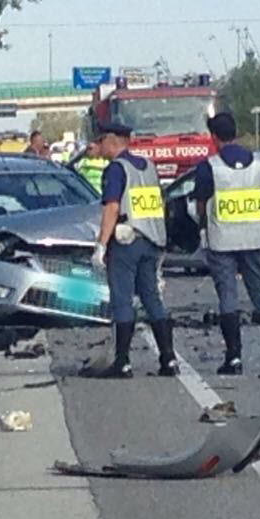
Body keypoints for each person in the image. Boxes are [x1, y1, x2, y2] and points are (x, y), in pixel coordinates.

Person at [193, 112, 260, 375]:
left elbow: (201, 204)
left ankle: (233, 359)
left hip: (222, 241)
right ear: (236, 132)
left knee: (228, 297)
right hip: (257, 238)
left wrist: (205, 225)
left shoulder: (209, 167)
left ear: (213, 137)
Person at [89, 121, 175, 379]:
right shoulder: (148, 167)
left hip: (126, 242)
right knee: (152, 299)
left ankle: (123, 362)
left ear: (113, 139)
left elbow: (112, 208)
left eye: (102, 139)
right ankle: (168, 359)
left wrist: (101, 245)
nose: (99, 145)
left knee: (122, 300)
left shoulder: (116, 169)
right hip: (151, 241)